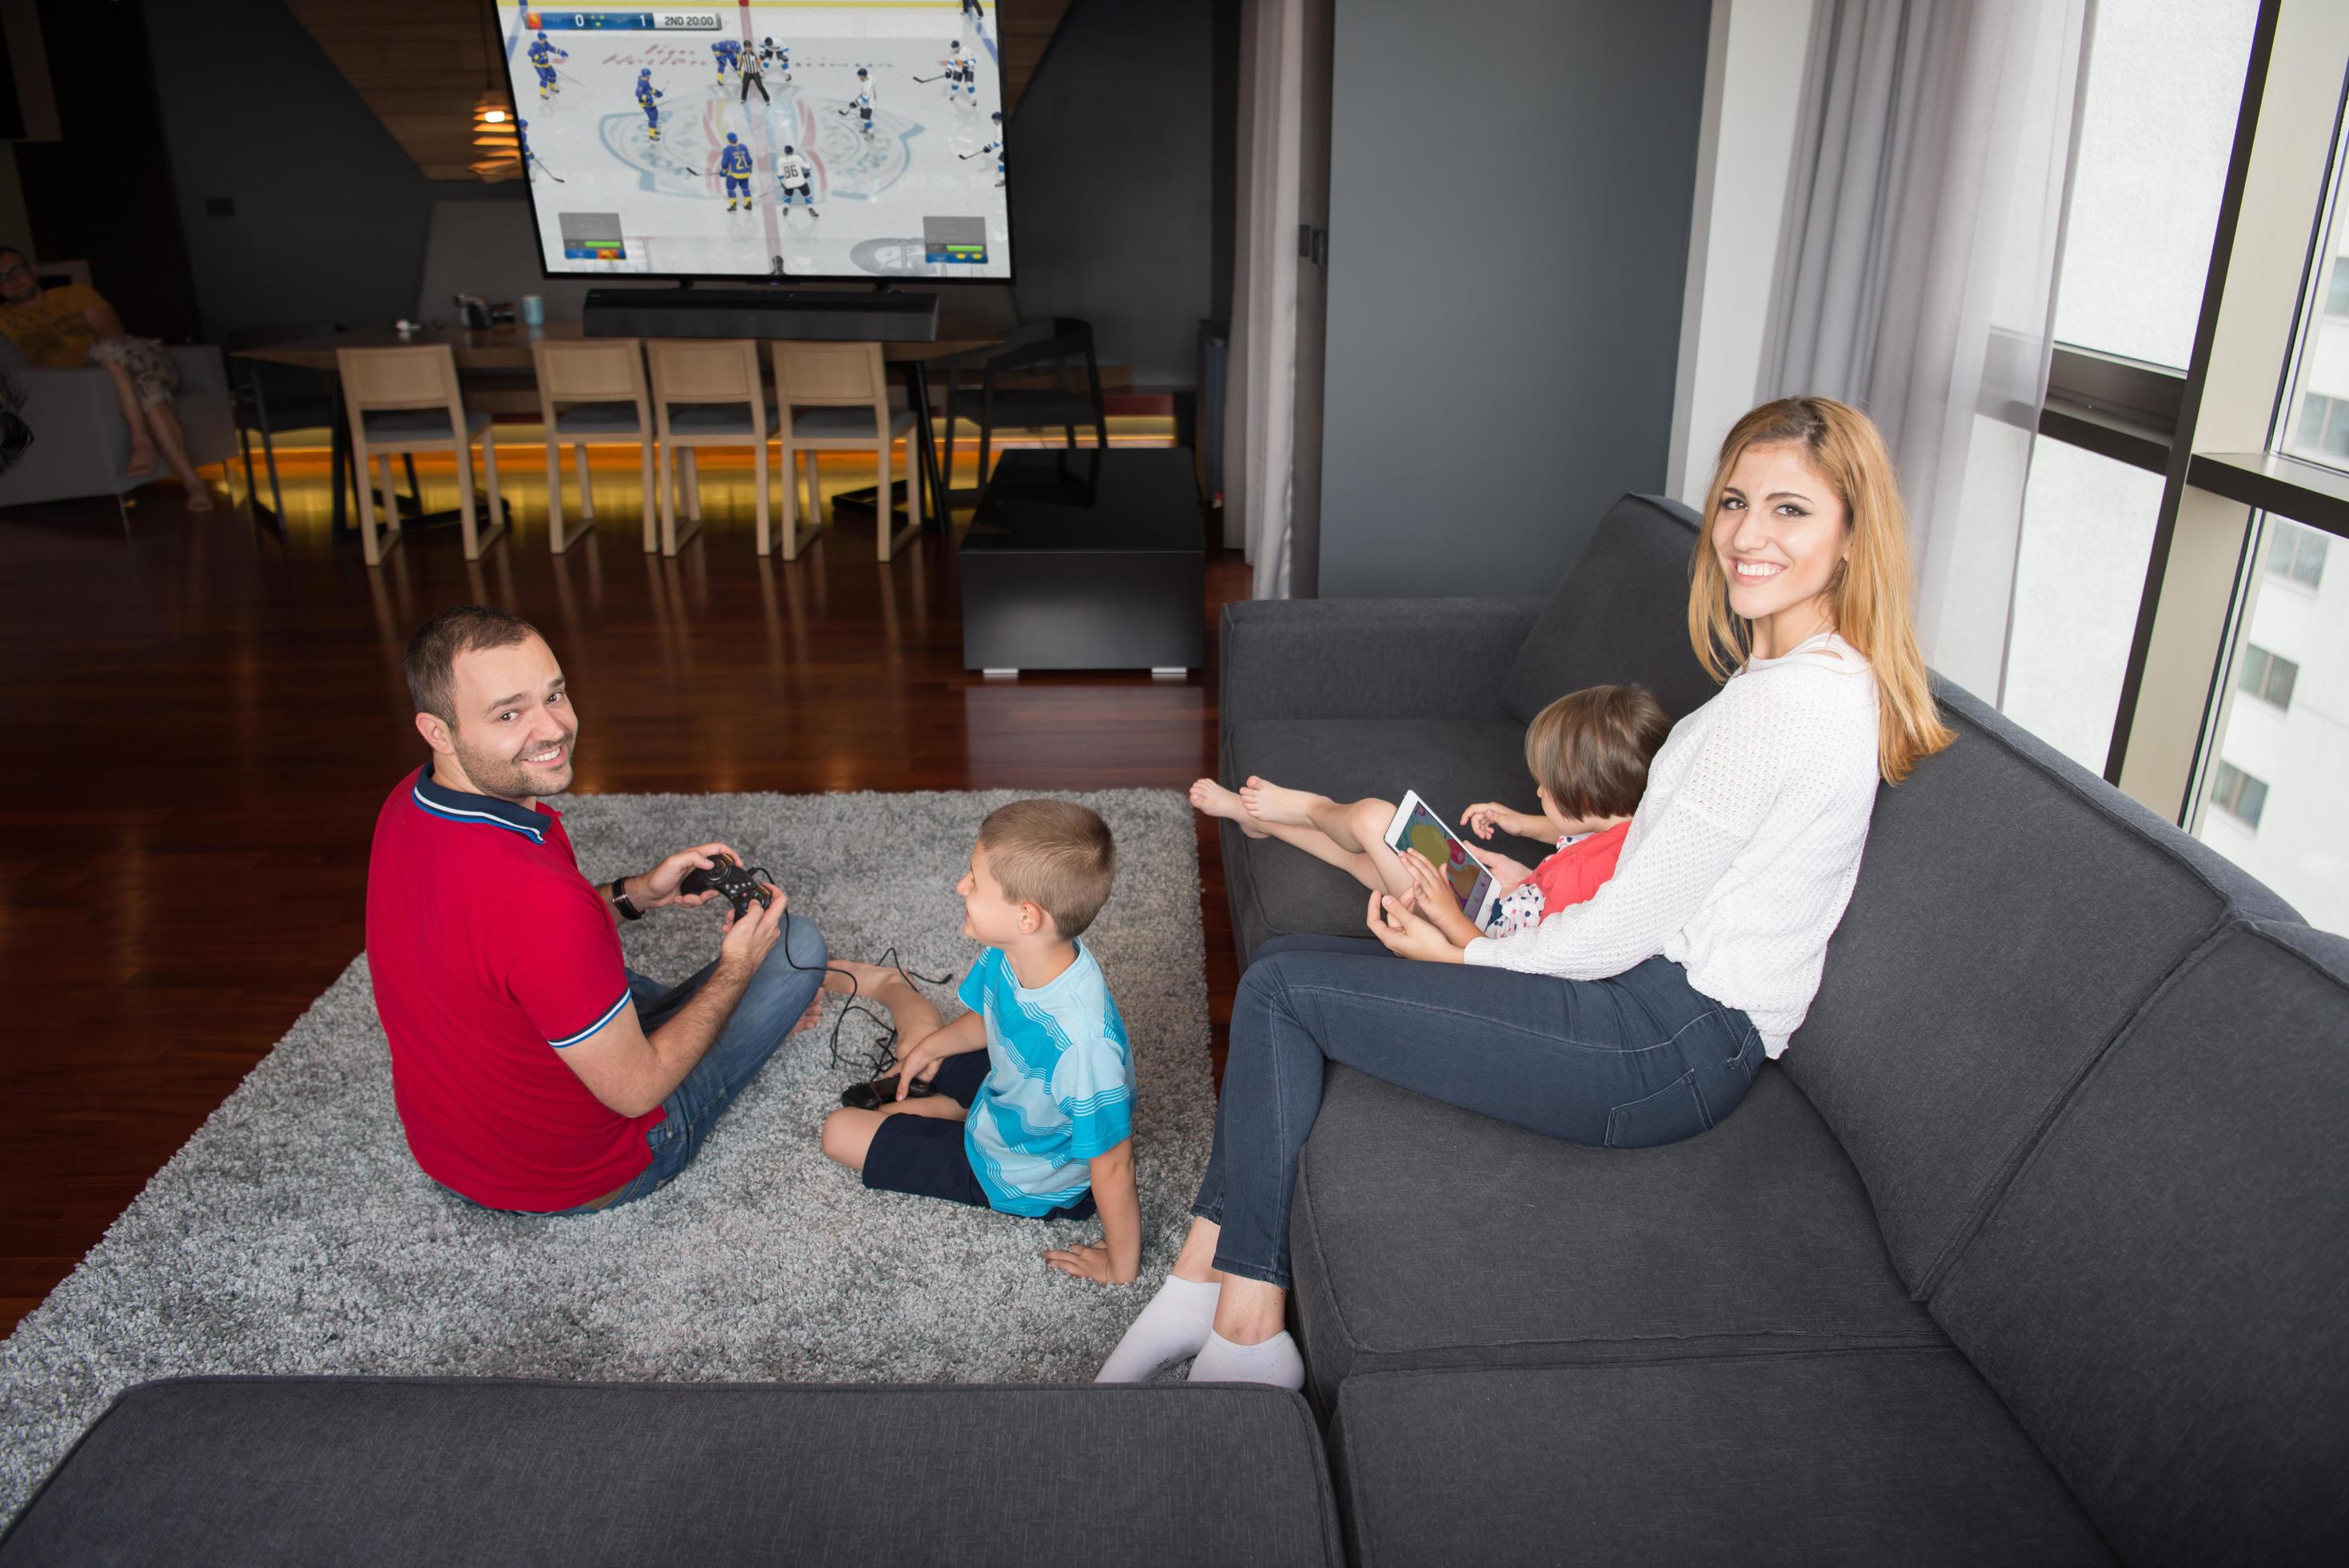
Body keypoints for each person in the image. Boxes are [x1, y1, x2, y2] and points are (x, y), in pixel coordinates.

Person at [1097, 396, 1955, 1388]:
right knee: (1285, 968)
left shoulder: (1777, 709)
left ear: (1852, 536)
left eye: (1789, 510)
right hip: (1661, 1017)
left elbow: (1625, 923)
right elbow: (1645, 886)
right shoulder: (1816, 681)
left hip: (1660, 1040)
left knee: (1283, 991)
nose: (1745, 536)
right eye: (1732, 502)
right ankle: (1209, 1283)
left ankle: (1240, 1328)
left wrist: (1466, 947)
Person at [366, 606, 831, 1216]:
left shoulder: (410, 802)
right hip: (579, 1172)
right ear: (439, 731)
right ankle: (718, 1002)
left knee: (581, 966)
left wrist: (635, 894)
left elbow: (499, 946)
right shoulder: (540, 905)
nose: (552, 728)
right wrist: (738, 969)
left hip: (450, 1147)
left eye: (554, 695)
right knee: (797, 949)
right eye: (509, 713)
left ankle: (650, 1017)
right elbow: (637, 1093)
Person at [818, 800, 1142, 1286]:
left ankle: (955, 1111)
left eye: (973, 880)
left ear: (1027, 916)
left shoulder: (1083, 1048)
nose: (960, 886)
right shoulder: (1015, 950)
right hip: (1016, 1090)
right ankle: (953, 1101)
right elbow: (989, 1019)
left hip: (1023, 1175)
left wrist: (1121, 1266)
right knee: (919, 1051)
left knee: (838, 1132)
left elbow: (1114, 1165)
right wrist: (930, 1049)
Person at [1191, 682, 1672, 944]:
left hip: (1475, 925)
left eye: (1549, 787)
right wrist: (1522, 829)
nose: (1540, 790)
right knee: (1361, 861)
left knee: (1373, 820)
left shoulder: (1597, 878)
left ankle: (1310, 806)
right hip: (1498, 898)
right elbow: (1579, 835)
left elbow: (1520, 958)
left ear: (1589, 799)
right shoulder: (1630, 826)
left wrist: (1448, 920)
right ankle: (1259, 821)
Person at [0, 249, 212, 511]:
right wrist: (91, 378)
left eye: (15, 271)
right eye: (1, 278)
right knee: (147, 391)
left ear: (31, 270)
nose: (10, 280)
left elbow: (111, 331)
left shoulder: (75, 294)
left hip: (134, 356)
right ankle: (193, 482)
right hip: (96, 384)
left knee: (108, 353)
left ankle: (141, 441)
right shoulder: (3, 320)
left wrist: (96, 364)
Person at [718, 133, 754, 211]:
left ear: (728, 140)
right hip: (745, 173)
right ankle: (748, 204)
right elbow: (749, 160)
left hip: (734, 174)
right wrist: (750, 167)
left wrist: (723, 171)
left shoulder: (728, 150)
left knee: (730, 189)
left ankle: (733, 205)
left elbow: (725, 163)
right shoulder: (743, 147)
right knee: (745, 189)